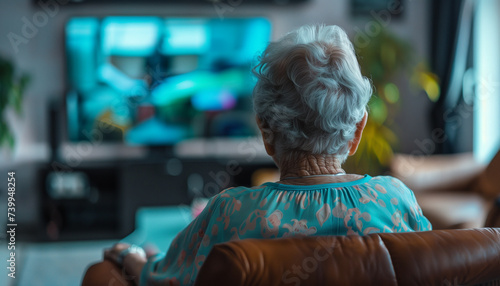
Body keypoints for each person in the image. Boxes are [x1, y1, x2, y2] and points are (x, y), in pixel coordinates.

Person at [99, 24, 432, 286]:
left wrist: (132, 255)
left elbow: (165, 278)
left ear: (266, 131)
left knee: (100, 273)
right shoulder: (397, 200)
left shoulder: (231, 213)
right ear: (357, 132)